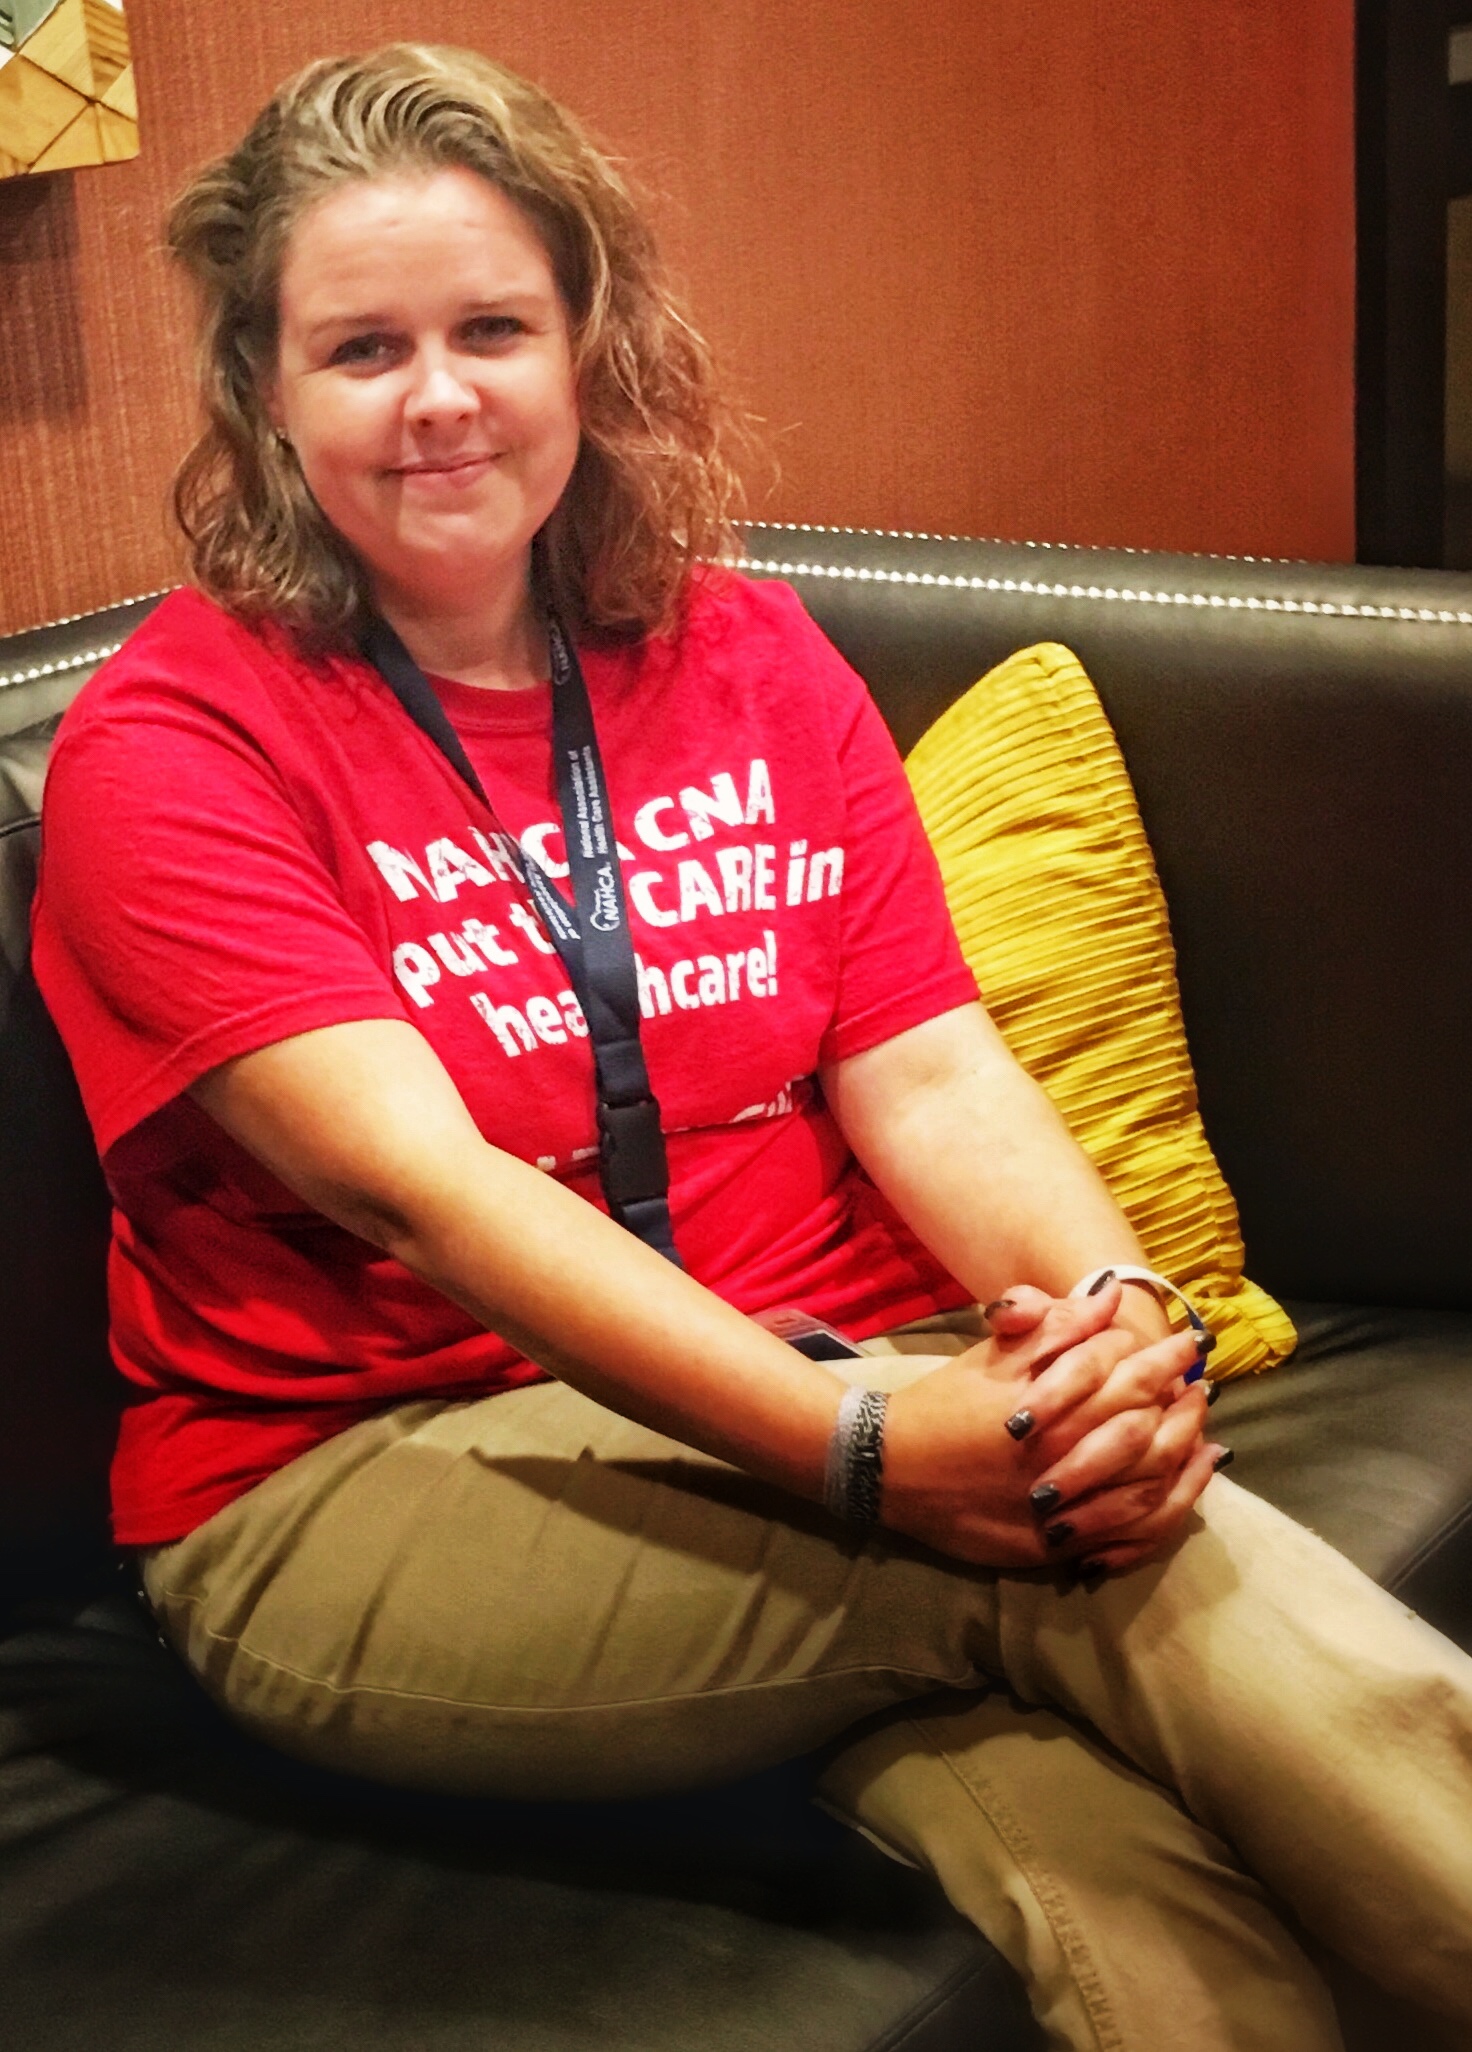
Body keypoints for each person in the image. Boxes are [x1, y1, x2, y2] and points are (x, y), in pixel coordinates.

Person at [30, 43, 1472, 2052]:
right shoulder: (175, 744)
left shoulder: (746, 654)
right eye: (361, 348)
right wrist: (872, 1454)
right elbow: (423, 1194)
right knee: (1086, 1547)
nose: (438, 397)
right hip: (359, 1474)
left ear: (585, 344)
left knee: (1115, 1860)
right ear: (264, 393)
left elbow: (934, 1070)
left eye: (491, 329)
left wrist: (1117, 1330)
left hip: (825, 1363)